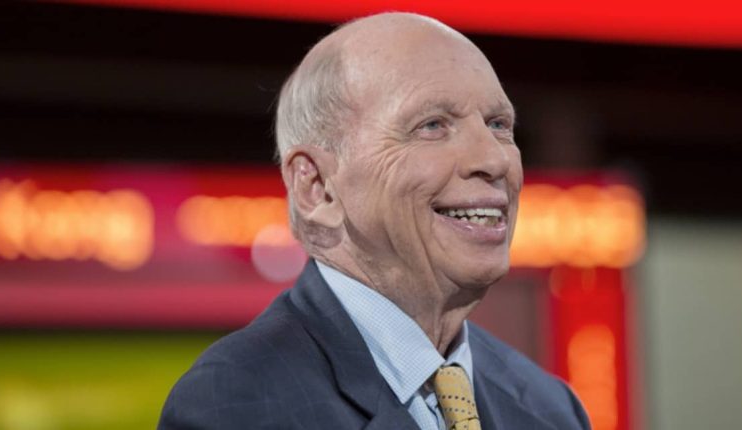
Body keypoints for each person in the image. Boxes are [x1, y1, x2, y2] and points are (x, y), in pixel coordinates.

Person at [160, 12, 590, 430]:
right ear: (318, 187)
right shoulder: (239, 405)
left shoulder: (550, 410)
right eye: (432, 126)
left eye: (498, 125)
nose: (494, 160)